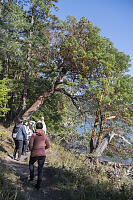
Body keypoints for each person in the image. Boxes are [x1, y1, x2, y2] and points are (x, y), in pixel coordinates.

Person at [29, 122, 50, 190]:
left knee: (31, 164)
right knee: (40, 169)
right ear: (42, 128)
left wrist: (32, 150)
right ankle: (39, 185)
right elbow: (48, 145)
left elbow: (31, 145)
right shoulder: (44, 135)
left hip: (34, 153)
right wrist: (44, 149)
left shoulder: (34, 135)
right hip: (42, 154)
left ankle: (32, 177)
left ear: (36, 127)